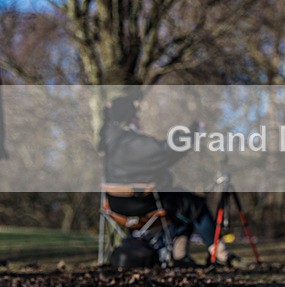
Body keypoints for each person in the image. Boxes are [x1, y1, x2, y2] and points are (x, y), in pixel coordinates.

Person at [98, 95, 239, 266]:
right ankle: (219, 252)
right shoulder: (131, 142)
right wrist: (193, 133)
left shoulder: (109, 143)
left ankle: (180, 255)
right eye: (136, 115)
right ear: (128, 118)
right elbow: (166, 151)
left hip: (116, 208)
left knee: (182, 205)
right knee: (195, 204)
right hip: (144, 204)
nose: (138, 119)